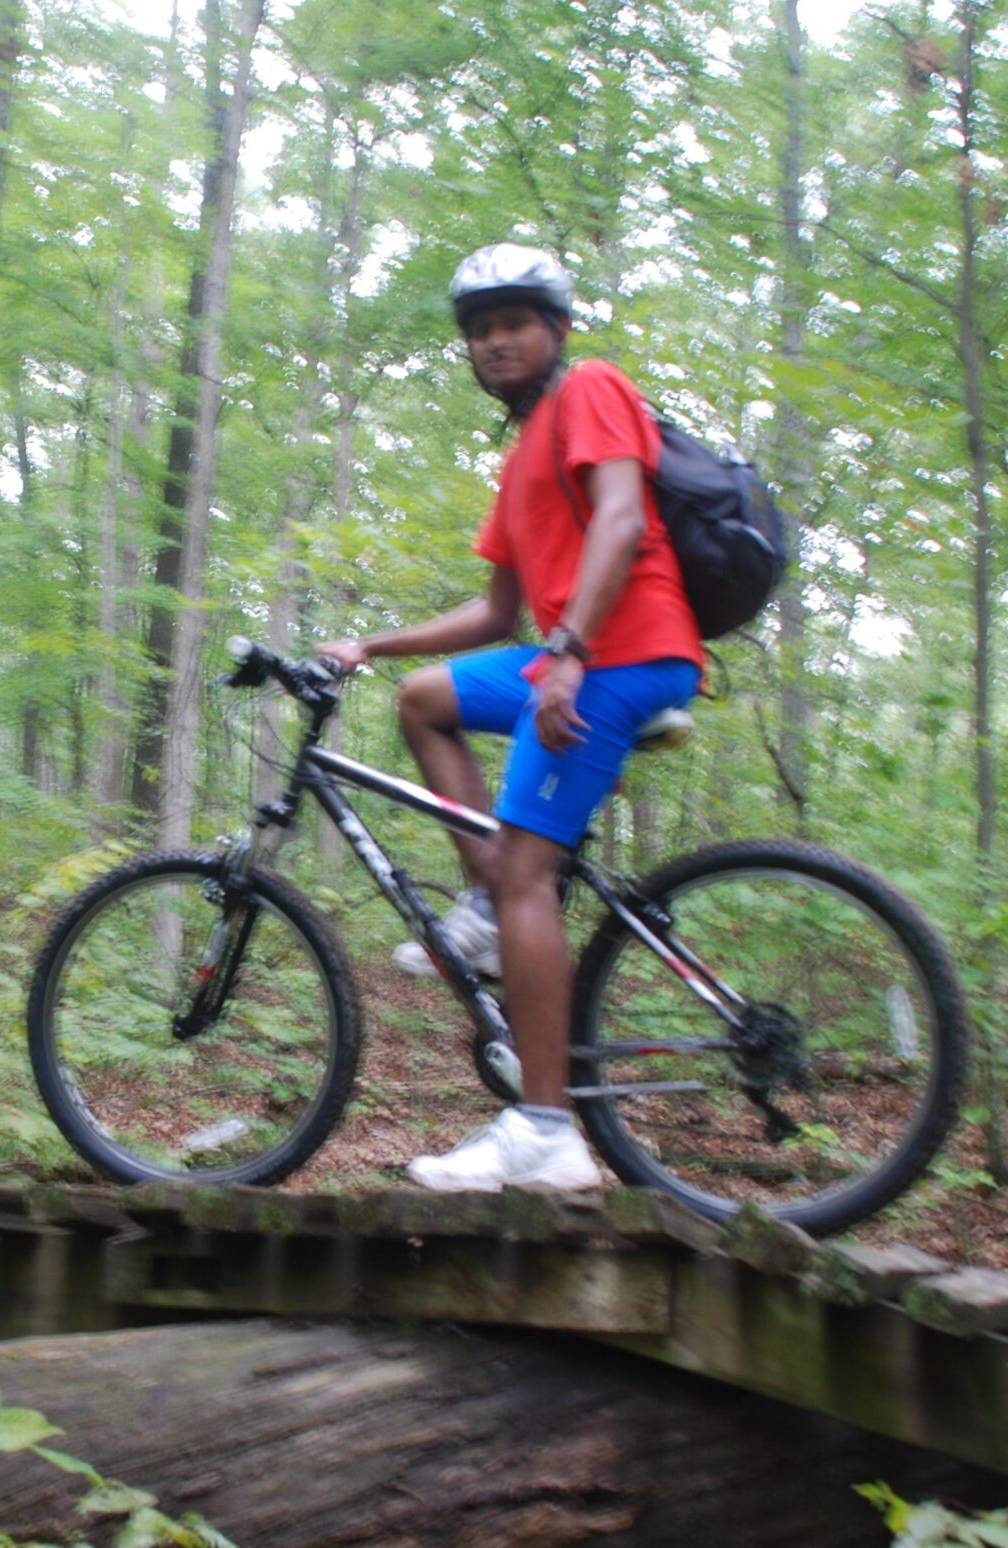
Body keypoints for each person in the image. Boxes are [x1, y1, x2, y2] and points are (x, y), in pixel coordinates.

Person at [314, 242, 703, 1193]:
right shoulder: (522, 452)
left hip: (627, 651)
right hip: (564, 655)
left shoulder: (593, 391)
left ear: (556, 331)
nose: (495, 343)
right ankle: (487, 904)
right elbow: (494, 616)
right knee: (426, 700)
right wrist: (373, 646)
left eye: (514, 323)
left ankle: (547, 1131)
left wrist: (569, 652)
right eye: (480, 331)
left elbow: (618, 519)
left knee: (534, 874)